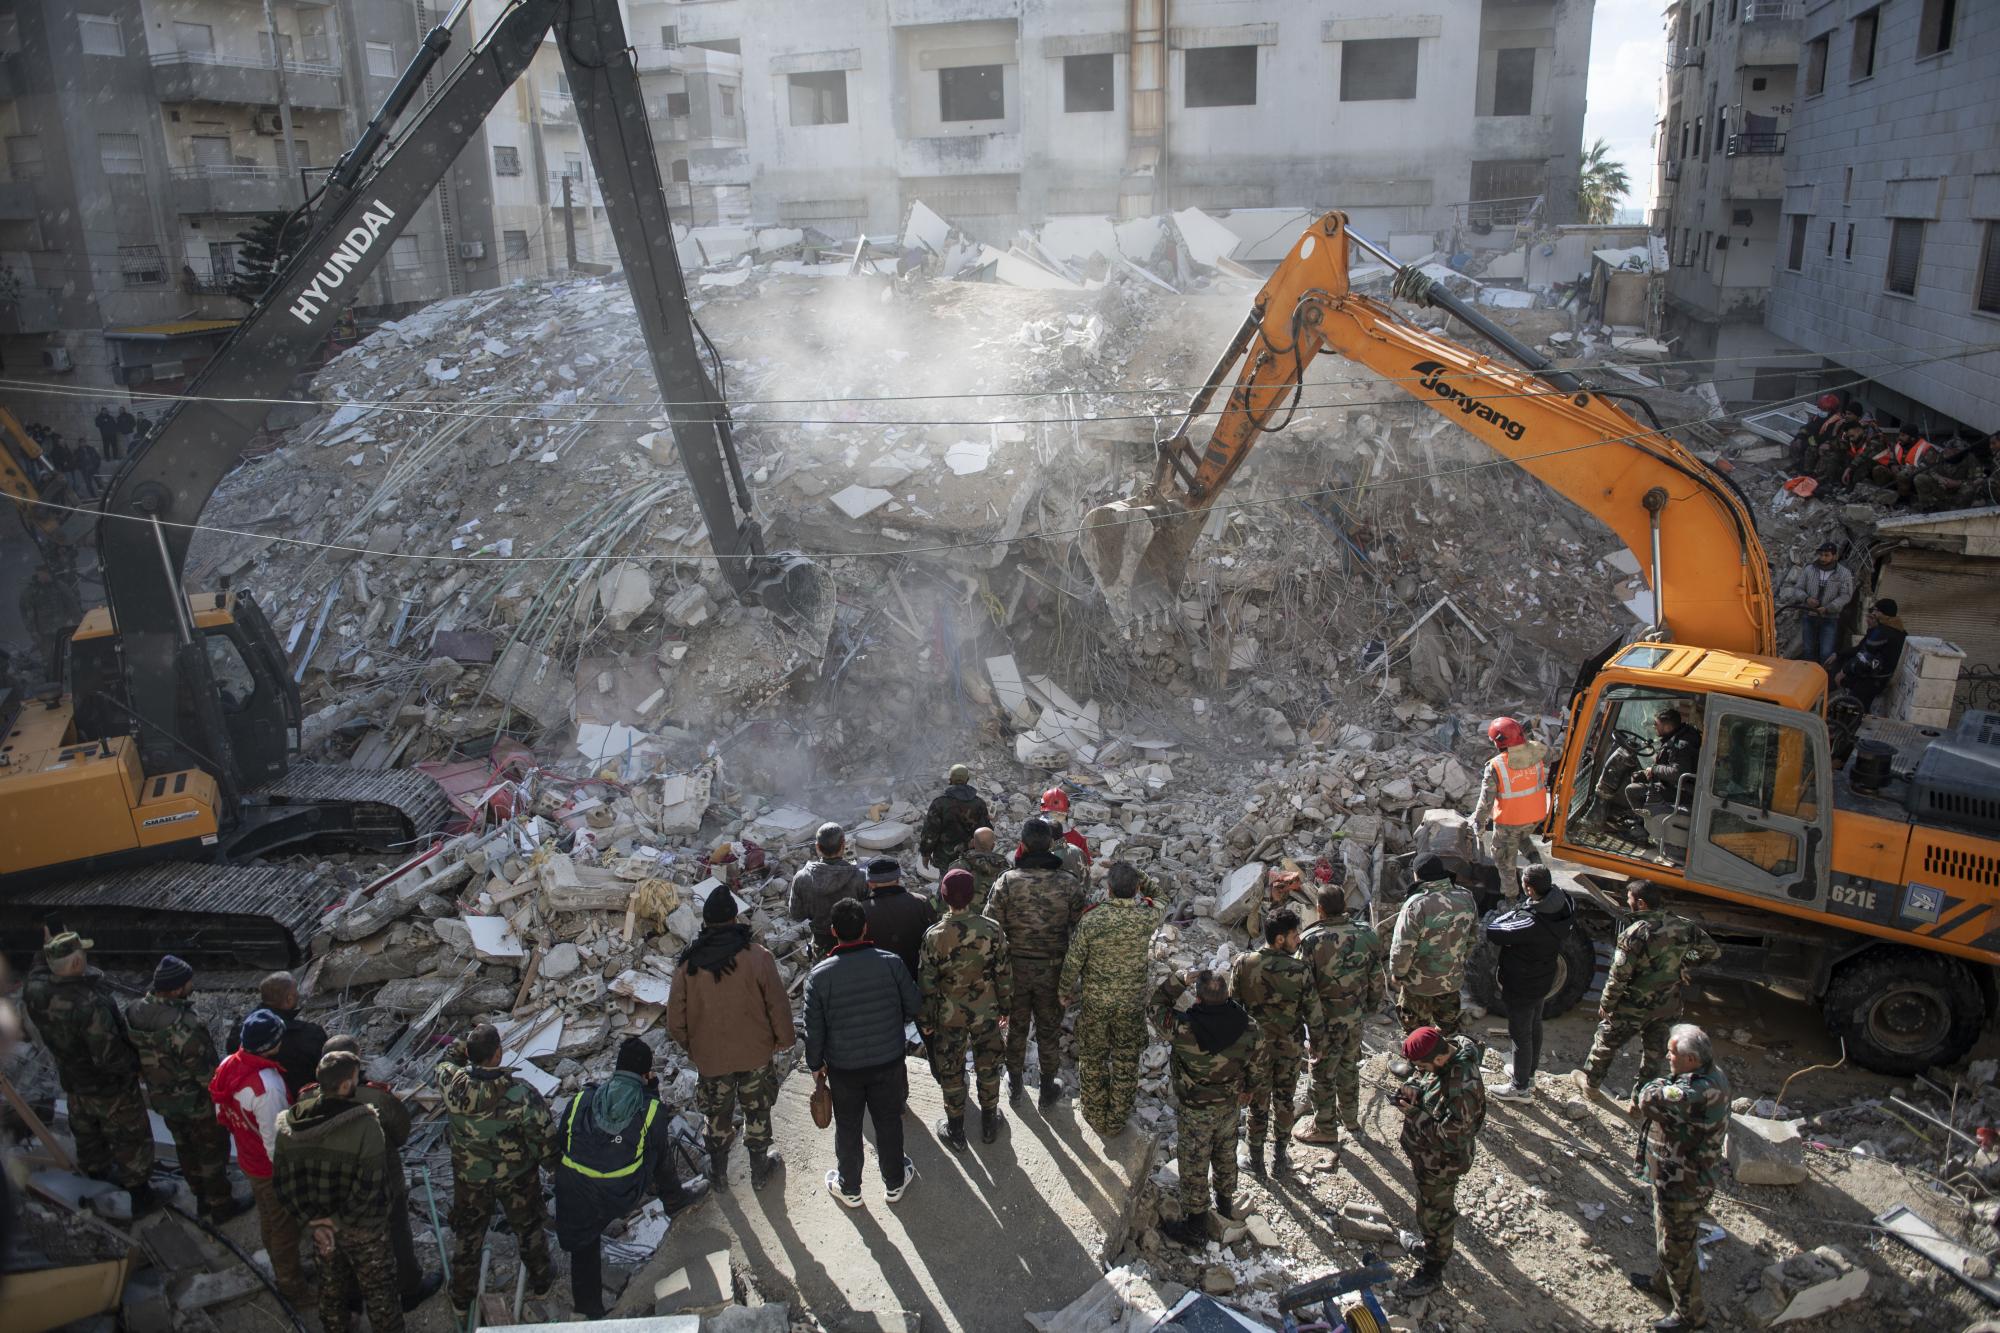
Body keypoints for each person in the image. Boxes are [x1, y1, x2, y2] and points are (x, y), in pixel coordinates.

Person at [553, 1038, 711, 1319]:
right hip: (621, 1192)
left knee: (583, 1245)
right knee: (658, 1149)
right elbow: (656, 1142)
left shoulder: (582, 1098)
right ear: (646, 1073)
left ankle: (589, 1309)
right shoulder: (650, 1109)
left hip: (573, 1192)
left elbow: (562, 1141)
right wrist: (652, 1096)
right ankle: (674, 1201)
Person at [665, 887, 793, 1191]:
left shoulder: (688, 966)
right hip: (756, 1054)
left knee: (716, 1117)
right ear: (734, 917)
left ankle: (720, 1176)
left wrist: (694, 1047)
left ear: (706, 923)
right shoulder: (758, 957)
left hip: (711, 1060)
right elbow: (777, 1004)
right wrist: (782, 1040)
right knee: (757, 1110)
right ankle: (759, 1170)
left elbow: (675, 1022)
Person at [23, 933, 157, 1210]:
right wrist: (136, 1069)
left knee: (87, 1135)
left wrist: (49, 942)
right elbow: (109, 1056)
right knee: (131, 1139)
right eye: (81, 955)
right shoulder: (89, 1004)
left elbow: (37, 968)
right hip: (109, 1087)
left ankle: (97, 1180)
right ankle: (140, 1196)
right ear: (75, 964)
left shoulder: (35, 990)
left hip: (73, 1080)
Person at [272, 1050, 400, 1333]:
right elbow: (371, 1186)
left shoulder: (287, 1125)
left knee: (330, 1290)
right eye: (355, 1078)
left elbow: (282, 1183)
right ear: (345, 1085)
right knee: (380, 1295)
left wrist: (314, 1222)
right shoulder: (365, 1125)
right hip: (364, 1229)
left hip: (319, 1226)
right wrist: (338, 1222)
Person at [311, 1036, 442, 1311]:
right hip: (380, 1181)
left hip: (332, 1184)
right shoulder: (375, 1098)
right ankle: (409, 1288)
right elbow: (400, 1132)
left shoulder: (306, 1096)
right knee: (396, 1232)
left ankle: (352, 1293)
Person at [805, 898, 920, 1208]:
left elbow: (814, 1028)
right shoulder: (891, 962)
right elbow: (914, 1006)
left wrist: (815, 1065)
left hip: (844, 1067)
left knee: (848, 1125)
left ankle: (850, 1187)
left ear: (832, 931)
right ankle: (895, 1182)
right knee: (888, 1121)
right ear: (865, 928)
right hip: (888, 1061)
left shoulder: (819, 977)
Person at [435, 1022, 554, 1320]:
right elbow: (545, 1141)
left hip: (470, 1179)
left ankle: (462, 1298)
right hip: (517, 1178)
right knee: (528, 1229)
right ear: (498, 1053)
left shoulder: (451, 1084)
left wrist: (467, 1042)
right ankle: (541, 1282)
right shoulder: (521, 1094)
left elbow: (444, 1061)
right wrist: (554, 1166)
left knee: (469, 1236)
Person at [125, 955, 250, 1223]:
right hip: (197, 1104)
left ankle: (201, 1198)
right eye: (187, 981)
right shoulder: (186, 1026)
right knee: (212, 1153)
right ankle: (220, 1205)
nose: (191, 984)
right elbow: (207, 1075)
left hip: (163, 1099)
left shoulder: (135, 1011)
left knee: (185, 1149)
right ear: (176, 988)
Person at [1574, 880, 1720, 1097]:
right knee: (1655, 1053)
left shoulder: (1635, 933)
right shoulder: (1684, 926)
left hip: (1632, 1005)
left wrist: (1607, 1004)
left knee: (1605, 1042)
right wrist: (1684, 964)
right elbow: (1712, 951)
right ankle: (1641, 1099)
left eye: (1629, 898)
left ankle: (1591, 1085)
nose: (1627, 902)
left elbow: (1618, 976)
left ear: (1641, 903)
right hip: (1667, 1005)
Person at [1629, 1024, 1731, 1332]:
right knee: (1669, 1236)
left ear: (1690, 1060)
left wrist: (1655, 1084)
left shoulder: (1694, 1092)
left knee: (1676, 1246)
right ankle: (1664, 1283)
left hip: (1685, 1181)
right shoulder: (1711, 1076)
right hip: (1681, 1174)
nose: (1667, 1057)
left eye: (1672, 1053)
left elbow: (1649, 1099)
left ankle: (1690, 1316)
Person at [1151, 968, 1261, 1247]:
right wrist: (1248, 1088)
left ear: (1197, 999)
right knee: (1226, 1154)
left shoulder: (1184, 1029)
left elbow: (1155, 1006)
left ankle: (1197, 1225)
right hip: (1228, 1105)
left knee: (1194, 1163)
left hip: (1195, 1109)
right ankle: (1225, 1207)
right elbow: (1256, 1062)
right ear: (1227, 996)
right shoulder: (1247, 1027)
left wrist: (1179, 979)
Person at [987, 817, 1089, 1109]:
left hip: (1014, 970)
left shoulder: (1007, 882)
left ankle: (1015, 1085)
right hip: (1053, 970)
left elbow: (991, 926)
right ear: (1050, 846)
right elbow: (1079, 931)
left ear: (1023, 845)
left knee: (1016, 1027)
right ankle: (1047, 1089)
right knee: (1048, 1029)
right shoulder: (1069, 884)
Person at [1058, 860, 1163, 1138]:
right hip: (1130, 1005)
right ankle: (1116, 1120)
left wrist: (1064, 992)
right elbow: (1162, 897)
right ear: (1137, 889)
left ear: (1108, 890)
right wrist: (1140, 875)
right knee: (1126, 1062)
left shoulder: (1092, 919)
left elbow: (1073, 961)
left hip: (1096, 1005)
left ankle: (1094, 1114)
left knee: (1092, 1058)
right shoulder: (1146, 917)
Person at [213, 1008, 309, 1304]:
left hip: (248, 1158)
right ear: (271, 1046)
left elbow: (222, 1113)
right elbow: (276, 1138)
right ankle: (292, 1286)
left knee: (268, 1217)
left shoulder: (229, 1065)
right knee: (284, 1227)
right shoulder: (267, 1087)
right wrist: (289, 1175)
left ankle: (279, 1264)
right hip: (270, 1167)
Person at [919, 868, 1012, 1149]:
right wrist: (1005, 1007)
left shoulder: (934, 936)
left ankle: (956, 1131)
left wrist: (926, 1019)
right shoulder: (992, 929)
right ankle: (988, 1124)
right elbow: (1004, 974)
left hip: (949, 1016)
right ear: (972, 896)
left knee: (951, 1070)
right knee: (988, 1066)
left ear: (944, 897)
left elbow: (927, 983)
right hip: (986, 1011)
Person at [1393, 1025, 1487, 1297]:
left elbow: (1451, 1137)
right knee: (1428, 1208)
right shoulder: (1448, 1051)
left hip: (1441, 1163)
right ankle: (1430, 1246)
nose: (1419, 1069)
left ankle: (1432, 1270)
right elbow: (1424, 1076)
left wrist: (1414, 1114)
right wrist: (1412, 1087)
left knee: (1436, 1215)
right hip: (1427, 1157)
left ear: (1437, 1059)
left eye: (1422, 1065)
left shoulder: (1462, 1089)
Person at [1228, 907, 1321, 1177]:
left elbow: (1233, 1009)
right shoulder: (1300, 970)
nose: (1298, 941)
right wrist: (1317, 1043)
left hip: (1255, 1052)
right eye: (1294, 936)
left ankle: (1255, 1159)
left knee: (1258, 1105)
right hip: (1289, 1049)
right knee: (1285, 1101)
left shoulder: (1244, 963)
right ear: (1280, 939)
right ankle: (1280, 1156)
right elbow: (1313, 1012)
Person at [1295, 882, 1385, 1149]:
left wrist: (1303, 1020)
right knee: (1348, 1066)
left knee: (1322, 1071)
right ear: (1345, 906)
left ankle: (1324, 1127)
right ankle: (1350, 1118)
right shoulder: (1367, 934)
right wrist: (1369, 1007)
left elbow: (1303, 984)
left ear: (1319, 910)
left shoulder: (1311, 940)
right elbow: (1376, 977)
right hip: (1354, 1016)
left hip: (1324, 1021)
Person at [1483, 866, 1575, 1102]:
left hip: (1522, 982)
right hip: (1544, 976)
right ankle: (1529, 1074)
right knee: (1535, 1024)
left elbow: (1494, 931)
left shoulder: (1530, 922)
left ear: (1529, 888)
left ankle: (1520, 1087)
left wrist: (1513, 911)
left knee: (1520, 1034)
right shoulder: (1565, 902)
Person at [1388, 855, 1478, 1035]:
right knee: (1448, 1031)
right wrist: (1455, 964)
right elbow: (1472, 938)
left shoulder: (1416, 905)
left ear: (1417, 875)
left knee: (1416, 1035)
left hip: (1418, 987)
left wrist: (1397, 973)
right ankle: (1446, 1059)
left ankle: (1419, 1062)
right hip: (1451, 982)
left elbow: (1403, 948)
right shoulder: (1466, 897)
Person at [1473, 716, 1550, 898]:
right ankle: (1536, 864)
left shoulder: (1496, 766)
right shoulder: (1537, 751)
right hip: (1535, 816)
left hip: (1511, 821)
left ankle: (1511, 901)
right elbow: (1557, 752)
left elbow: (1486, 802)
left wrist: (1479, 825)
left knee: (1504, 860)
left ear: (1498, 743)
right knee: (1521, 836)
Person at [226, 970, 328, 1099]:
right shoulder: (309, 1035)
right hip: (299, 1102)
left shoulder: (242, 1030)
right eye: (296, 991)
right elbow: (327, 1072)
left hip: (248, 1098)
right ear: (289, 999)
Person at [789, 821, 867, 958]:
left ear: (817, 847)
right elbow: (868, 911)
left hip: (821, 947)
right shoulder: (859, 876)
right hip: (855, 944)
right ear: (843, 845)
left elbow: (796, 915)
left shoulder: (801, 878)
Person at [861, 856, 937, 981]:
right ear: (898, 879)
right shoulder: (920, 902)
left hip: (880, 981)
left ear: (870, 883)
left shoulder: (863, 910)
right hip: (916, 976)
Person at [1826, 598, 1907, 713]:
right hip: (1881, 677)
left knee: (1853, 708)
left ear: (1882, 613)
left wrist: (1844, 671)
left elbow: (1864, 658)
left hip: (1871, 679)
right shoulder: (1901, 631)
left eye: (1876, 611)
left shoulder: (1882, 632)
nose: (1873, 614)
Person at [1780, 542, 1855, 664]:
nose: (1823, 558)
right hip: (1809, 616)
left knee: (1826, 652)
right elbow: (1798, 589)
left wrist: (1828, 608)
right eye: (1821, 555)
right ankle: (1808, 676)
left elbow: (1846, 595)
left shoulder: (1843, 573)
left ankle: (1823, 677)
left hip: (1830, 617)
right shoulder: (1809, 570)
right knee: (1808, 650)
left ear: (1834, 556)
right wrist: (1806, 599)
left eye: (1826, 555)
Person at [1625, 703, 1702, 816]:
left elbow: (1677, 772)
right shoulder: (1678, 736)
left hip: (1682, 791)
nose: (1654, 726)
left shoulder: (1681, 745)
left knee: (1631, 790)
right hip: (1672, 784)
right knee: (1637, 776)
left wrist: (1654, 769)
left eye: (1656, 724)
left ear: (1668, 727)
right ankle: (1643, 815)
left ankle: (1642, 825)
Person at [918, 763, 992, 870]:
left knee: (948, 885)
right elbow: (985, 831)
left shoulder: (940, 803)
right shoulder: (979, 803)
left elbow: (930, 832)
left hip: (946, 858)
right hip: (973, 858)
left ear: (950, 779)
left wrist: (925, 853)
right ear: (967, 779)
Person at [19, 564, 82, 682]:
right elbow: (28, 614)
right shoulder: (31, 592)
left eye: (46, 573)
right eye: (42, 573)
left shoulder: (59, 587)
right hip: (44, 633)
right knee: (48, 660)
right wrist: (33, 632)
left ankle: (70, 679)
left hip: (62, 630)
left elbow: (72, 605)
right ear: (38, 574)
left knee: (67, 656)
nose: (44, 576)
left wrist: (79, 624)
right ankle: (53, 681)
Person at [1913, 431, 1994, 512]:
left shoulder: (1970, 459)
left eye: (1952, 450)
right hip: (1941, 489)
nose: (1946, 451)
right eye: (1947, 449)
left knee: (1969, 489)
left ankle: (1959, 510)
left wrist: (1957, 483)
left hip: (1958, 493)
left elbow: (1978, 481)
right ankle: (1929, 507)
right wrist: (1938, 478)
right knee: (1919, 478)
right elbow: (1921, 468)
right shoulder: (1937, 455)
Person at [945, 827, 1010, 914]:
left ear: (973, 843)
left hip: (965, 921)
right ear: (993, 846)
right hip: (995, 922)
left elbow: (945, 898)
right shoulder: (1006, 870)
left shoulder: (957, 867)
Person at [1032, 787, 1093, 874]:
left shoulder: (1032, 835)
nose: (1054, 817)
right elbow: (1085, 869)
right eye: (1051, 814)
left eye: (1058, 814)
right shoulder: (1077, 839)